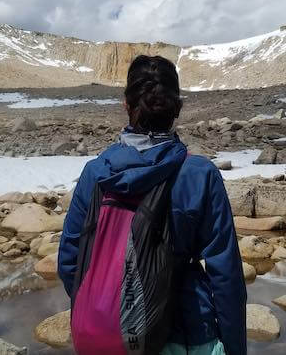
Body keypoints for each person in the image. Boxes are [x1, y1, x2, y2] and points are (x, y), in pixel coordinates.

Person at [58, 55, 247, 355]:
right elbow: (226, 276)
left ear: (126, 105)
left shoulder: (96, 173)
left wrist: (108, 312)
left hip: (113, 337)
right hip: (190, 331)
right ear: (176, 109)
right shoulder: (199, 174)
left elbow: (69, 262)